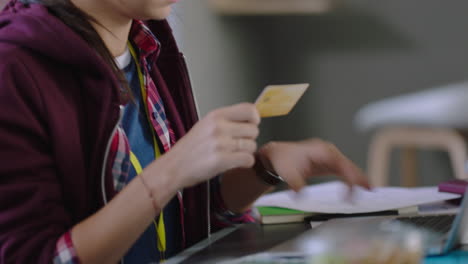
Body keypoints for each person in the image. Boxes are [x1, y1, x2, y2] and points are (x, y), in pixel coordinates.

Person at [0, 0, 369, 263]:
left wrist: (263, 169)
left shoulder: (145, 44)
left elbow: (181, 219)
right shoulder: (12, 71)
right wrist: (173, 168)